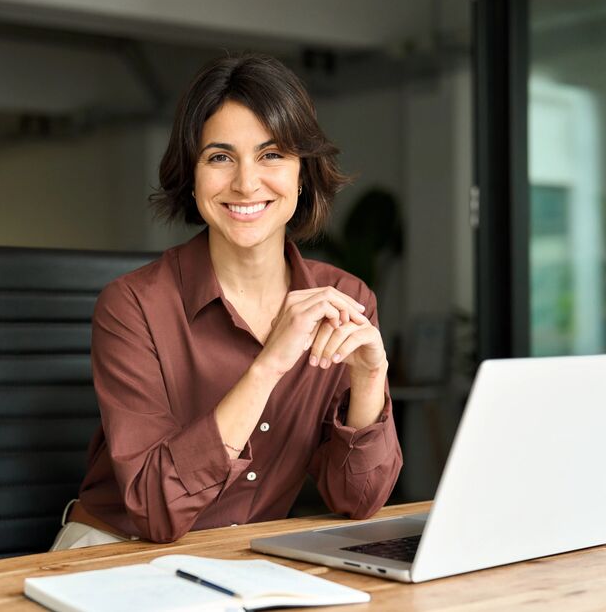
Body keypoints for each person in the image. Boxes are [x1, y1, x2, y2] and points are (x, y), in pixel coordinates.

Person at [50, 53, 403, 550]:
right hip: (114, 552)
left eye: (272, 154)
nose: (245, 182)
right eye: (219, 157)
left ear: (302, 174)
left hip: (246, 558)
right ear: (191, 179)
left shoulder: (346, 299)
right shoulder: (132, 306)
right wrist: (267, 367)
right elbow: (155, 511)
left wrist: (369, 381)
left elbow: (357, 500)